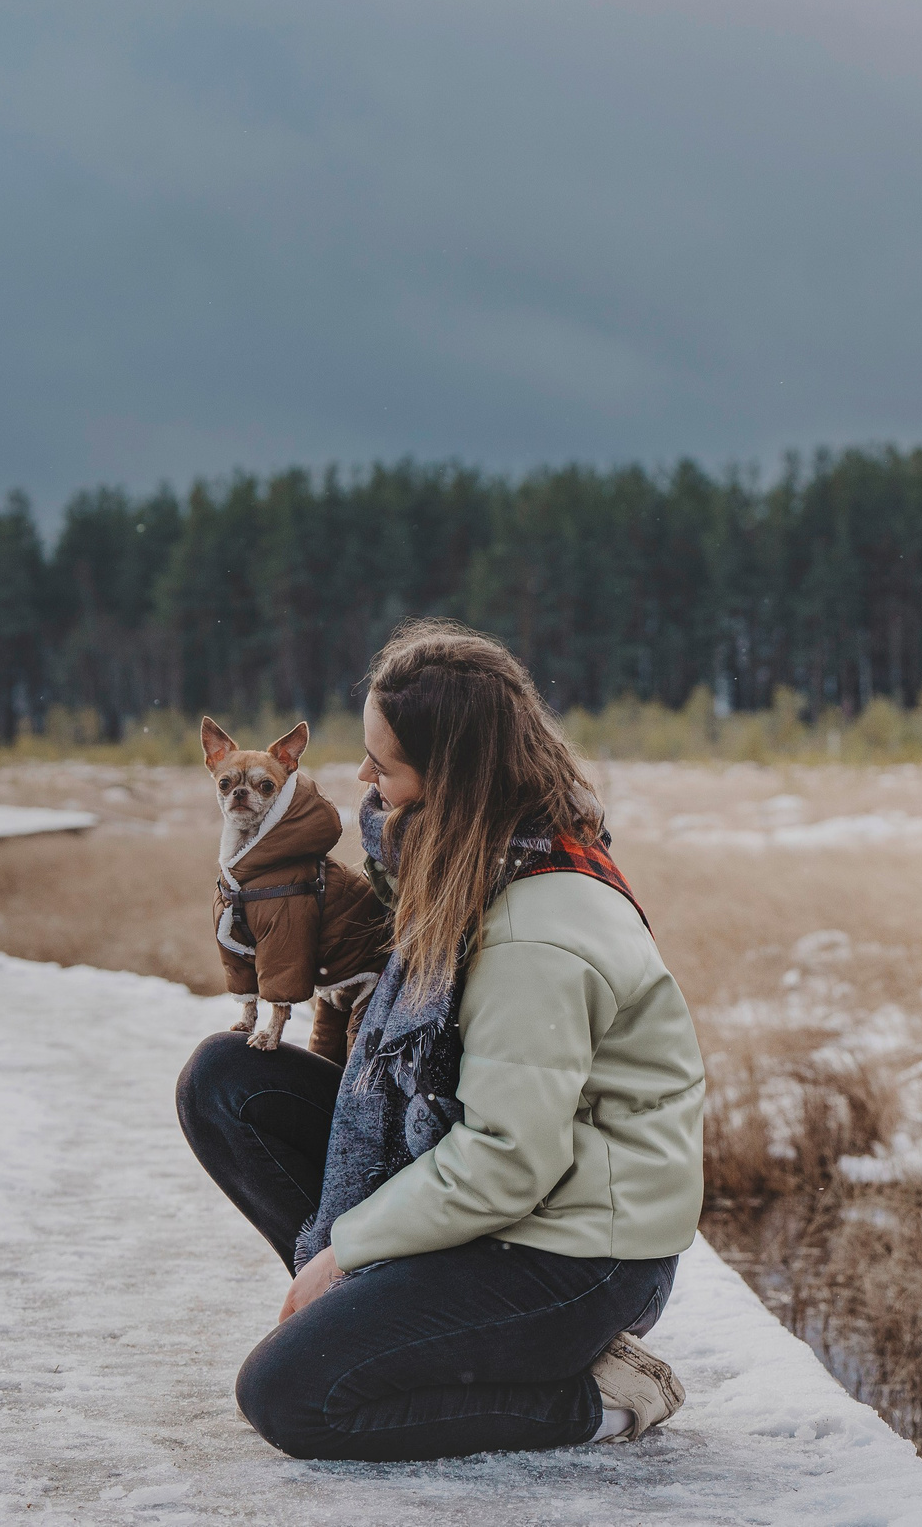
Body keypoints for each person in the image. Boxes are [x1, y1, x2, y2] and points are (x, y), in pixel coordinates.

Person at [175, 620, 707, 1461]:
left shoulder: (537, 932)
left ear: (449, 778)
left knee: (291, 1399)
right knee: (229, 1081)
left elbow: (506, 1161)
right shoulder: (462, 867)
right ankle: (408, 1329)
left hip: (579, 1251)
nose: (361, 777)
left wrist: (343, 1251)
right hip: (505, 1199)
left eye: (383, 764)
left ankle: (598, 1391)